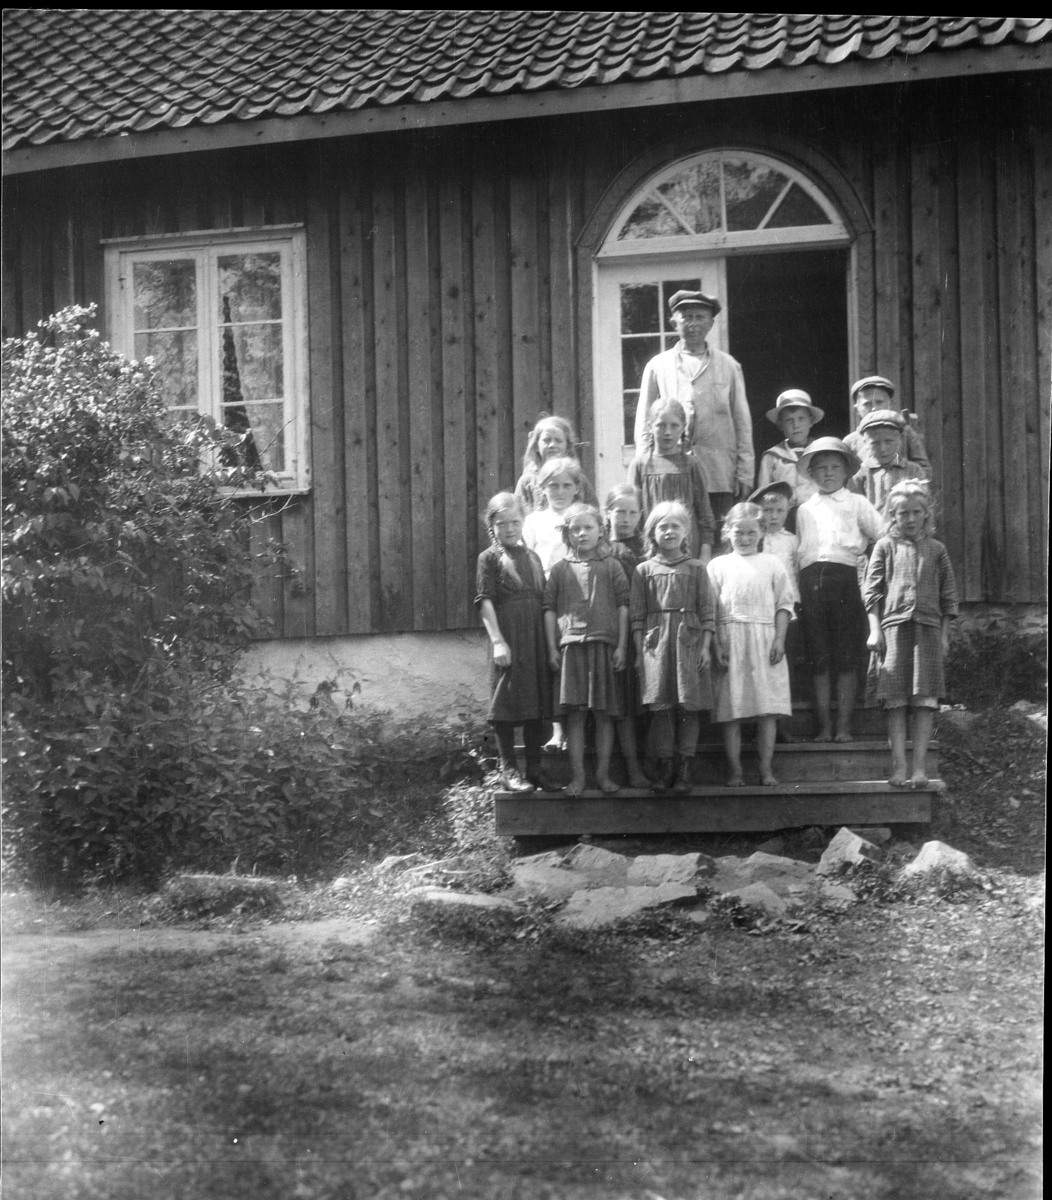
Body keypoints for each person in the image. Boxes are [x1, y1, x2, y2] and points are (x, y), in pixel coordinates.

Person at [864, 482, 958, 788]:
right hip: (892, 630)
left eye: (917, 512)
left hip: (928, 631)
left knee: (923, 700)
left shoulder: (937, 549)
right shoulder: (884, 547)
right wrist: (874, 630)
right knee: (895, 700)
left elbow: (949, 597)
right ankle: (899, 768)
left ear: (926, 514)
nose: (911, 518)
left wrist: (944, 635)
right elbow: (872, 593)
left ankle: (919, 769)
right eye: (903, 513)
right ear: (892, 514)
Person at [633, 290, 753, 530]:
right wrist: (647, 460)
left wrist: (745, 472)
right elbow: (645, 418)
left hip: (719, 473)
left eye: (700, 317)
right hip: (672, 472)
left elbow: (742, 422)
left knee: (720, 537)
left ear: (710, 323)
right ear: (673, 323)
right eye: (686, 317)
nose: (693, 323)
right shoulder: (658, 365)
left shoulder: (729, 366)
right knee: (675, 532)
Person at [795, 437, 883, 743]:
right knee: (819, 656)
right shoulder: (805, 509)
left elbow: (881, 536)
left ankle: (844, 726)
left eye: (835, 467)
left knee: (846, 654)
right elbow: (800, 552)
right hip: (810, 582)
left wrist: (869, 568)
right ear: (811, 474)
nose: (828, 473)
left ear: (846, 472)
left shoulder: (857, 503)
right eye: (821, 468)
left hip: (845, 577)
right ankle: (824, 726)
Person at [543, 504, 630, 797]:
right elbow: (549, 609)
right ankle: (578, 777)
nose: (582, 534)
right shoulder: (559, 569)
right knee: (576, 716)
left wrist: (621, 645)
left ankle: (603, 775)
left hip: (604, 646)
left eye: (588, 527)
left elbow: (623, 606)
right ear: (567, 533)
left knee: (605, 715)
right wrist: (552, 648)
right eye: (575, 529)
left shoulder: (612, 565)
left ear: (601, 530)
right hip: (571, 648)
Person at [475, 493, 558, 793]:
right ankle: (509, 770)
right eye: (501, 524)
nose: (509, 529)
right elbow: (484, 601)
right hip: (509, 636)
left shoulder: (533, 557)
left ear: (524, 522)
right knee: (505, 702)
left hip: (534, 636)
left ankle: (534, 769)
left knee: (536, 702)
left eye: (515, 522)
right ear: (492, 526)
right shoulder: (490, 558)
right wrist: (498, 642)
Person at [630, 501, 715, 794]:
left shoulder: (696, 568)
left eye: (675, 526)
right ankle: (665, 766)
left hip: (688, 641)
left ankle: (685, 768)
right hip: (656, 645)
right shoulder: (643, 570)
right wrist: (640, 652)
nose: (668, 531)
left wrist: (705, 647)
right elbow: (637, 616)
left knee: (688, 706)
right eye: (662, 526)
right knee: (662, 708)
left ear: (686, 531)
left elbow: (707, 612)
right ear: (652, 533)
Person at [708, 503, 795, 787]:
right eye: (738, 532)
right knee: (732, 710)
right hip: (730, 641)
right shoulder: (717, 566)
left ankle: (765, 769)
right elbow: (709, 610)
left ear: (761, 533)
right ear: (727, 532)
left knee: (767, 709)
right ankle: (735, 771)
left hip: (765, 640)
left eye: (751, 532)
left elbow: (784, 604)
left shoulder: (772, 563)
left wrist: (780, 640)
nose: (745, 539)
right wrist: (715, 646)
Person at [603, 485, 651, 789]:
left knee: (645, 702)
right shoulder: (602, 548)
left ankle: (648, 763)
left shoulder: (647, 548)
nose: (626, 518)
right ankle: (632, 767)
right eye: (620, 511)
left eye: (633, 512)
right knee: (621, 703)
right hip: (614, 632)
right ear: (607, 513)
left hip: (645, 631)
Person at [627, 397, 715, 562]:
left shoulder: (691, 464)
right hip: (652, 549)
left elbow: (704, 511)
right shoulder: (640, 465)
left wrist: (705, 553)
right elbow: (633, 513)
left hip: (688, 547)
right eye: (661, 425)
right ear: (650, 426)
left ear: (683, 427)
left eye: (674, 426)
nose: (667, 432)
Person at [749, 480, 801, 743]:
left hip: (784, 611)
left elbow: (796, 574)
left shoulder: (791, 541)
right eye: (767, 511)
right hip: (757, 612)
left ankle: (781, 725)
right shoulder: (753, 540)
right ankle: (754, 722)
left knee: (781, 668)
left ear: (787, 513)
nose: (772, 516)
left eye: (779, 511)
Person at [844, 375, 931, 474]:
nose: (874, 408)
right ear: (856, 409)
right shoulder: (850, 442)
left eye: (879, 402)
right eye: (867, 404)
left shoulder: (906, 433)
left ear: (890, 404)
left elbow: (925, 471)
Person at [755, 389, 824, 511]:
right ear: (780, 424)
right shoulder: (772, 457)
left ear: (811, 421)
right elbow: (763, 493)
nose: (796, 425)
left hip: (818, 512)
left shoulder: (821, 451)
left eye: (801, 418)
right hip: (783, 516)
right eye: (789, 420)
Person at [849, 409, 930, 513]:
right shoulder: (860, 473)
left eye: (888, 441)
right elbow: (854, 508)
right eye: (875, 443)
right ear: (865, 443)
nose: (883, 448)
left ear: (899, 440)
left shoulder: (914, 470)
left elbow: (923, 505)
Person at [522, 456, 590, 575]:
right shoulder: (533, 521)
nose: (560, 492)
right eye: (554, 486)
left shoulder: (585, 519)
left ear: (577, 488)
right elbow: (524, 555)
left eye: (566, 485)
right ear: (542, 488)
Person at [514, 414, 596, 513]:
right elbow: (516, 515)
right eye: (547, 440)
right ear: (536, 446)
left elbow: (594, 513)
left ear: (568, 446)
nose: (552, 445)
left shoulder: (578, 479)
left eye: (558, 440)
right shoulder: (527, 481)